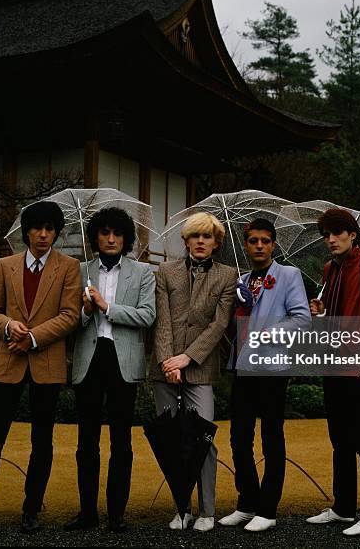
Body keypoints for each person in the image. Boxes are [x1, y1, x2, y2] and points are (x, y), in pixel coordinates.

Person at [0, 201, 81, 539]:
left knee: (42, 442)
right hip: (8, 364)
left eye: (50, 229)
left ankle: (31, 511)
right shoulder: (6, 265)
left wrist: (31, 338)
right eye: (37, 228)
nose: (43, 235)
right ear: (26, 231)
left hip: (46, 365)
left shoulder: (69, 267)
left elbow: (70, 316)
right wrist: (8, 325)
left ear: (57, 233)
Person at [64, 207, 156, 533]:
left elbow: (147, 316)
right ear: (96, 237)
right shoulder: (77, 271)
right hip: (89, 361)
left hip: (123, 362)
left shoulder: (143, 272)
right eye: (104, 233)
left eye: (117, 233)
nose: (111, 238)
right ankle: (87, 512)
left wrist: (107, 307)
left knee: (121, 441)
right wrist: (86, 312)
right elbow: (67, 321)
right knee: (86, 441)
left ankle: (117, 513)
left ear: (126, 237)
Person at [305, 208, 360, 536]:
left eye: (337, 233)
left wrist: (344, 341)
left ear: (352, 234)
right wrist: (321, 312)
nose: (330, 240)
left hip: (357, 365)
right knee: (339, 439)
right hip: (331, 366)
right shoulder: (330, 270)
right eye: (326, 235)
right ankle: (343, 508)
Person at [219, 218, 310, 532]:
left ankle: (268, 510)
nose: (259, 246)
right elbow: (234, 326)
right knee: (239, 437)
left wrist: (268, 333)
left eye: (265, 241)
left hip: (273, 367)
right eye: (253, 241)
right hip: (243, 368)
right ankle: (247, 502)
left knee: (271, 437)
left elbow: (302, 319)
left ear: (273, 245)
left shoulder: (288, 275)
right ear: (246, 244)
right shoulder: (241, 280)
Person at [148, 211, 237, 532]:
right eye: (195, 236)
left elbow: (220, 324)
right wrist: (167, 361)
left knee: (203, 439)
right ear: (185, 240)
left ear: (216, 243)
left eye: (207, 237)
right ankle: (182, 508)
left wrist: (186, 358)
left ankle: (208, 510)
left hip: (200, 368)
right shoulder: (165, 271)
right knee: (171, 441)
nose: (201, 241)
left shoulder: (228, 276)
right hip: (164, 369)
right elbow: (162, 320)